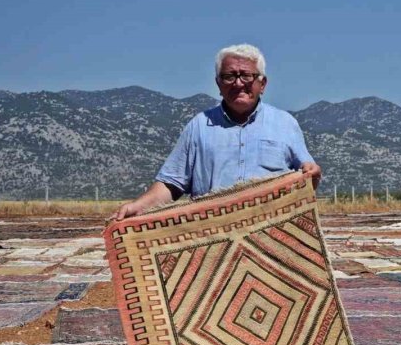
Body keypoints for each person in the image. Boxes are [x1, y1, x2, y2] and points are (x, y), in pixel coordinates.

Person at [112, 44, 321, 220]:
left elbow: (307, 176)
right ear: (218, 84)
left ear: (262, 84)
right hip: (212, 241)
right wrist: (138, 206)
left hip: (272, 240)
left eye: (247, 75)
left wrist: (312, 173)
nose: (238, 83)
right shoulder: (199, 126)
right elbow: (171, 184)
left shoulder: (285, 124)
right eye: (229, 76)